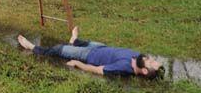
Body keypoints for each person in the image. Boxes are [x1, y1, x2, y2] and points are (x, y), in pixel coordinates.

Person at [17, 26, 163, 79]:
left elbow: (98, 70)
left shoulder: (124, 68)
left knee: (58, 49)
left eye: (150, 62)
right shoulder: (138, 58)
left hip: (87, 55)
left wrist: (77, 63)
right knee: (84, 42)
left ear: (144, 70)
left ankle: (31, 47)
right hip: (101, 47)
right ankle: (74, 40)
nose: (149, 58)